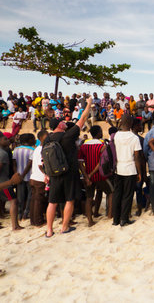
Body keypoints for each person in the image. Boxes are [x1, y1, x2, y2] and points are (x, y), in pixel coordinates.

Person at [44, 97, 92, 237]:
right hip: (69, 172)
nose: (65, 123)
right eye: (63, 123)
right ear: (59, 126)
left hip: (53, 174)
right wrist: (88, 104)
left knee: (52, 203)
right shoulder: (68, 136)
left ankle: (49, 230)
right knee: (69, 200)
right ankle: (64, 227)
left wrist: (47, 174)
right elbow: (82, 119)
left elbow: (45, 157)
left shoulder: (47, 139)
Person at [78, 125, 113, 226]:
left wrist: (86, 176)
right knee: (111, 192)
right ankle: (110, 215)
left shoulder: (84, 146)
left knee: (89, 197)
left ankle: (90, 221)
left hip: (88, 176)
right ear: (99, 133)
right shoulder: (102, 146)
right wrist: (91, 174)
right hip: (100, 175)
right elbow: (101, 163)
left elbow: (80, 163)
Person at [112, 114, 142, 227]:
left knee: (117, 194)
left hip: (118, 168)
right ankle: (124, 219)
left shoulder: (116, 136)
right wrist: (139, 172)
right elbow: (137, 157)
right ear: (130, 124)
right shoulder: (134, 138)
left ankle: (116, 219)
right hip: (130, 169)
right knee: (127, 195)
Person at [0, 131, 23, 230]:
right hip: (4, 183)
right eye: (5, 139)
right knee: (14, 201)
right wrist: (10, 181)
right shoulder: (3, 154)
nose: (8, 140)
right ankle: (15, 225)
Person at [13, 133, 35, 220]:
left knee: (20, 196)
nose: (34, 140)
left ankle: (19, 214)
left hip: (19, 176)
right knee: (30, 195)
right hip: (29, 176)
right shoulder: (32, 150)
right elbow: (30, 164)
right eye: (33, 139)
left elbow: (14, 163)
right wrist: (23, 175)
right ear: (29, 140)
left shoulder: (16, 149)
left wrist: (17, 174)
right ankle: (26, 213)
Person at [29, 130, 48, 227]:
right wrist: (46, 175)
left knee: (34, 200)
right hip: (39, 179)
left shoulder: (37, 149)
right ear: (40, 139)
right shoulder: (42, 149)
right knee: (38, 200)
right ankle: (38, 221)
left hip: (34, 177)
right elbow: (41, 165)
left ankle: (33, 220)